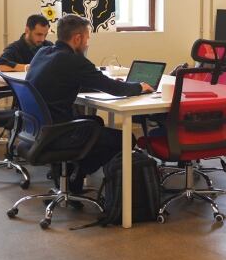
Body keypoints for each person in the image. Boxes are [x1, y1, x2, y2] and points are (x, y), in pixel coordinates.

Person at [26, 14, 154, 193]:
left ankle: (70, 172)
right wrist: (140, 86)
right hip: (59, 133)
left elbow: (65, 80)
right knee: (125, 139)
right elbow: (115, 90)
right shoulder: (74, 60)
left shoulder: (43, 53)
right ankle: (77, 172)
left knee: (96, 123)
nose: (87, 43)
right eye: (87, 38)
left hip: (36, 129)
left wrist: (97, 81)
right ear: (77, 38)